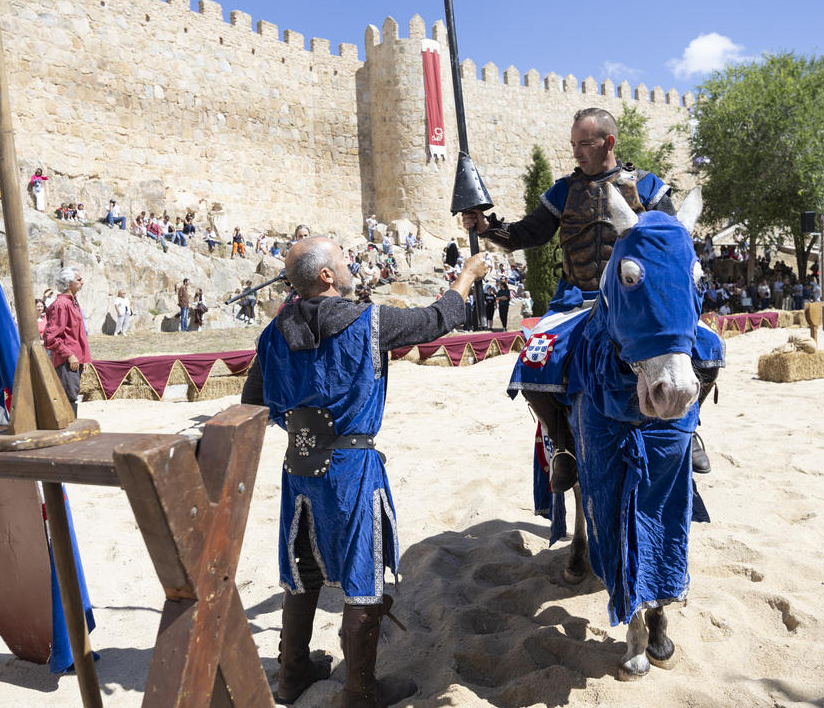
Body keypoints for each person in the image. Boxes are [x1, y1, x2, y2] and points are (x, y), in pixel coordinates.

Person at [240, 235, 489, 706]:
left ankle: (293, 675)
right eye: (341, 258)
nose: (350, 261)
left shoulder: (273, 334)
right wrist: (467, 277)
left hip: (300, 463)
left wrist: (299, 421)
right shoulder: (369, 321)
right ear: (327, 276)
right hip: (351, 467)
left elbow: (253, 401)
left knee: (303, 567)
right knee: (362, 574)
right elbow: (439, 318)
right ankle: (361, 691)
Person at [460, 107, 684, 490]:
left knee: (706, 350)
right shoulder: (563, 191)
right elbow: (527, 233)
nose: (577, 152)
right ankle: (563, 447)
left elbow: (674, 243)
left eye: (585, 144)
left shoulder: (646, 186)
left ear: (608, 142)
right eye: (573, 145)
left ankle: (688, 429)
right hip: (577, 298)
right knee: (532, 365)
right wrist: (488, 226)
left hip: (636, 301)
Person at [42, 267, 90, 416]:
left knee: (72, 395)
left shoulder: (73, 302)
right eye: (78, 279)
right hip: (66, 361)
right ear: (69, 283)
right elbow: (50, 337)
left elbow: (78, 334)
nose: (82, 282)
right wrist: (69, 355)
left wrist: (85, 358)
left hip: (75, 359)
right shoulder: (61, 305)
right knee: (68, 397)